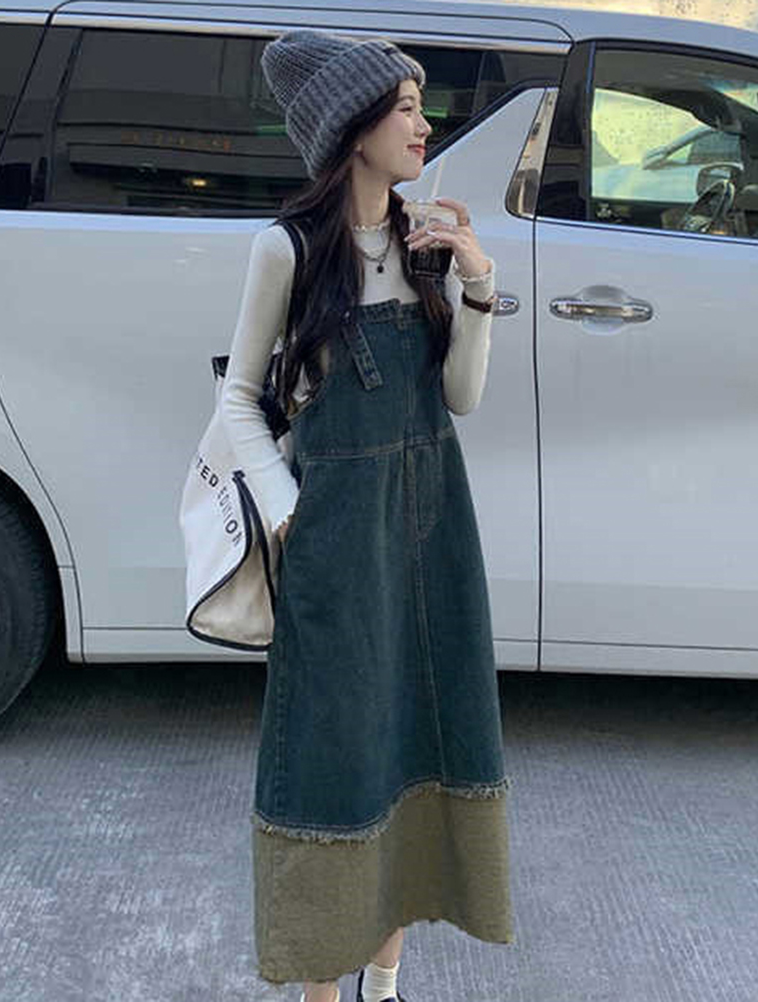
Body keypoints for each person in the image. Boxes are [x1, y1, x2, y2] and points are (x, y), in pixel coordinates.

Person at [220, 29, 514, 1002]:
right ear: (353, 130)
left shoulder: (423, 243)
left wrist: (476, 283)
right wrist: (290, 513)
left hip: (436, 529)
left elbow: (460, 399)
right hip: (338, 537)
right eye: (406, 110)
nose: (425, 127)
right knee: (334, 760)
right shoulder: (288, 249)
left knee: (418, 743)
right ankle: (321, 992)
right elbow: (239, 400)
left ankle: (383, 987)